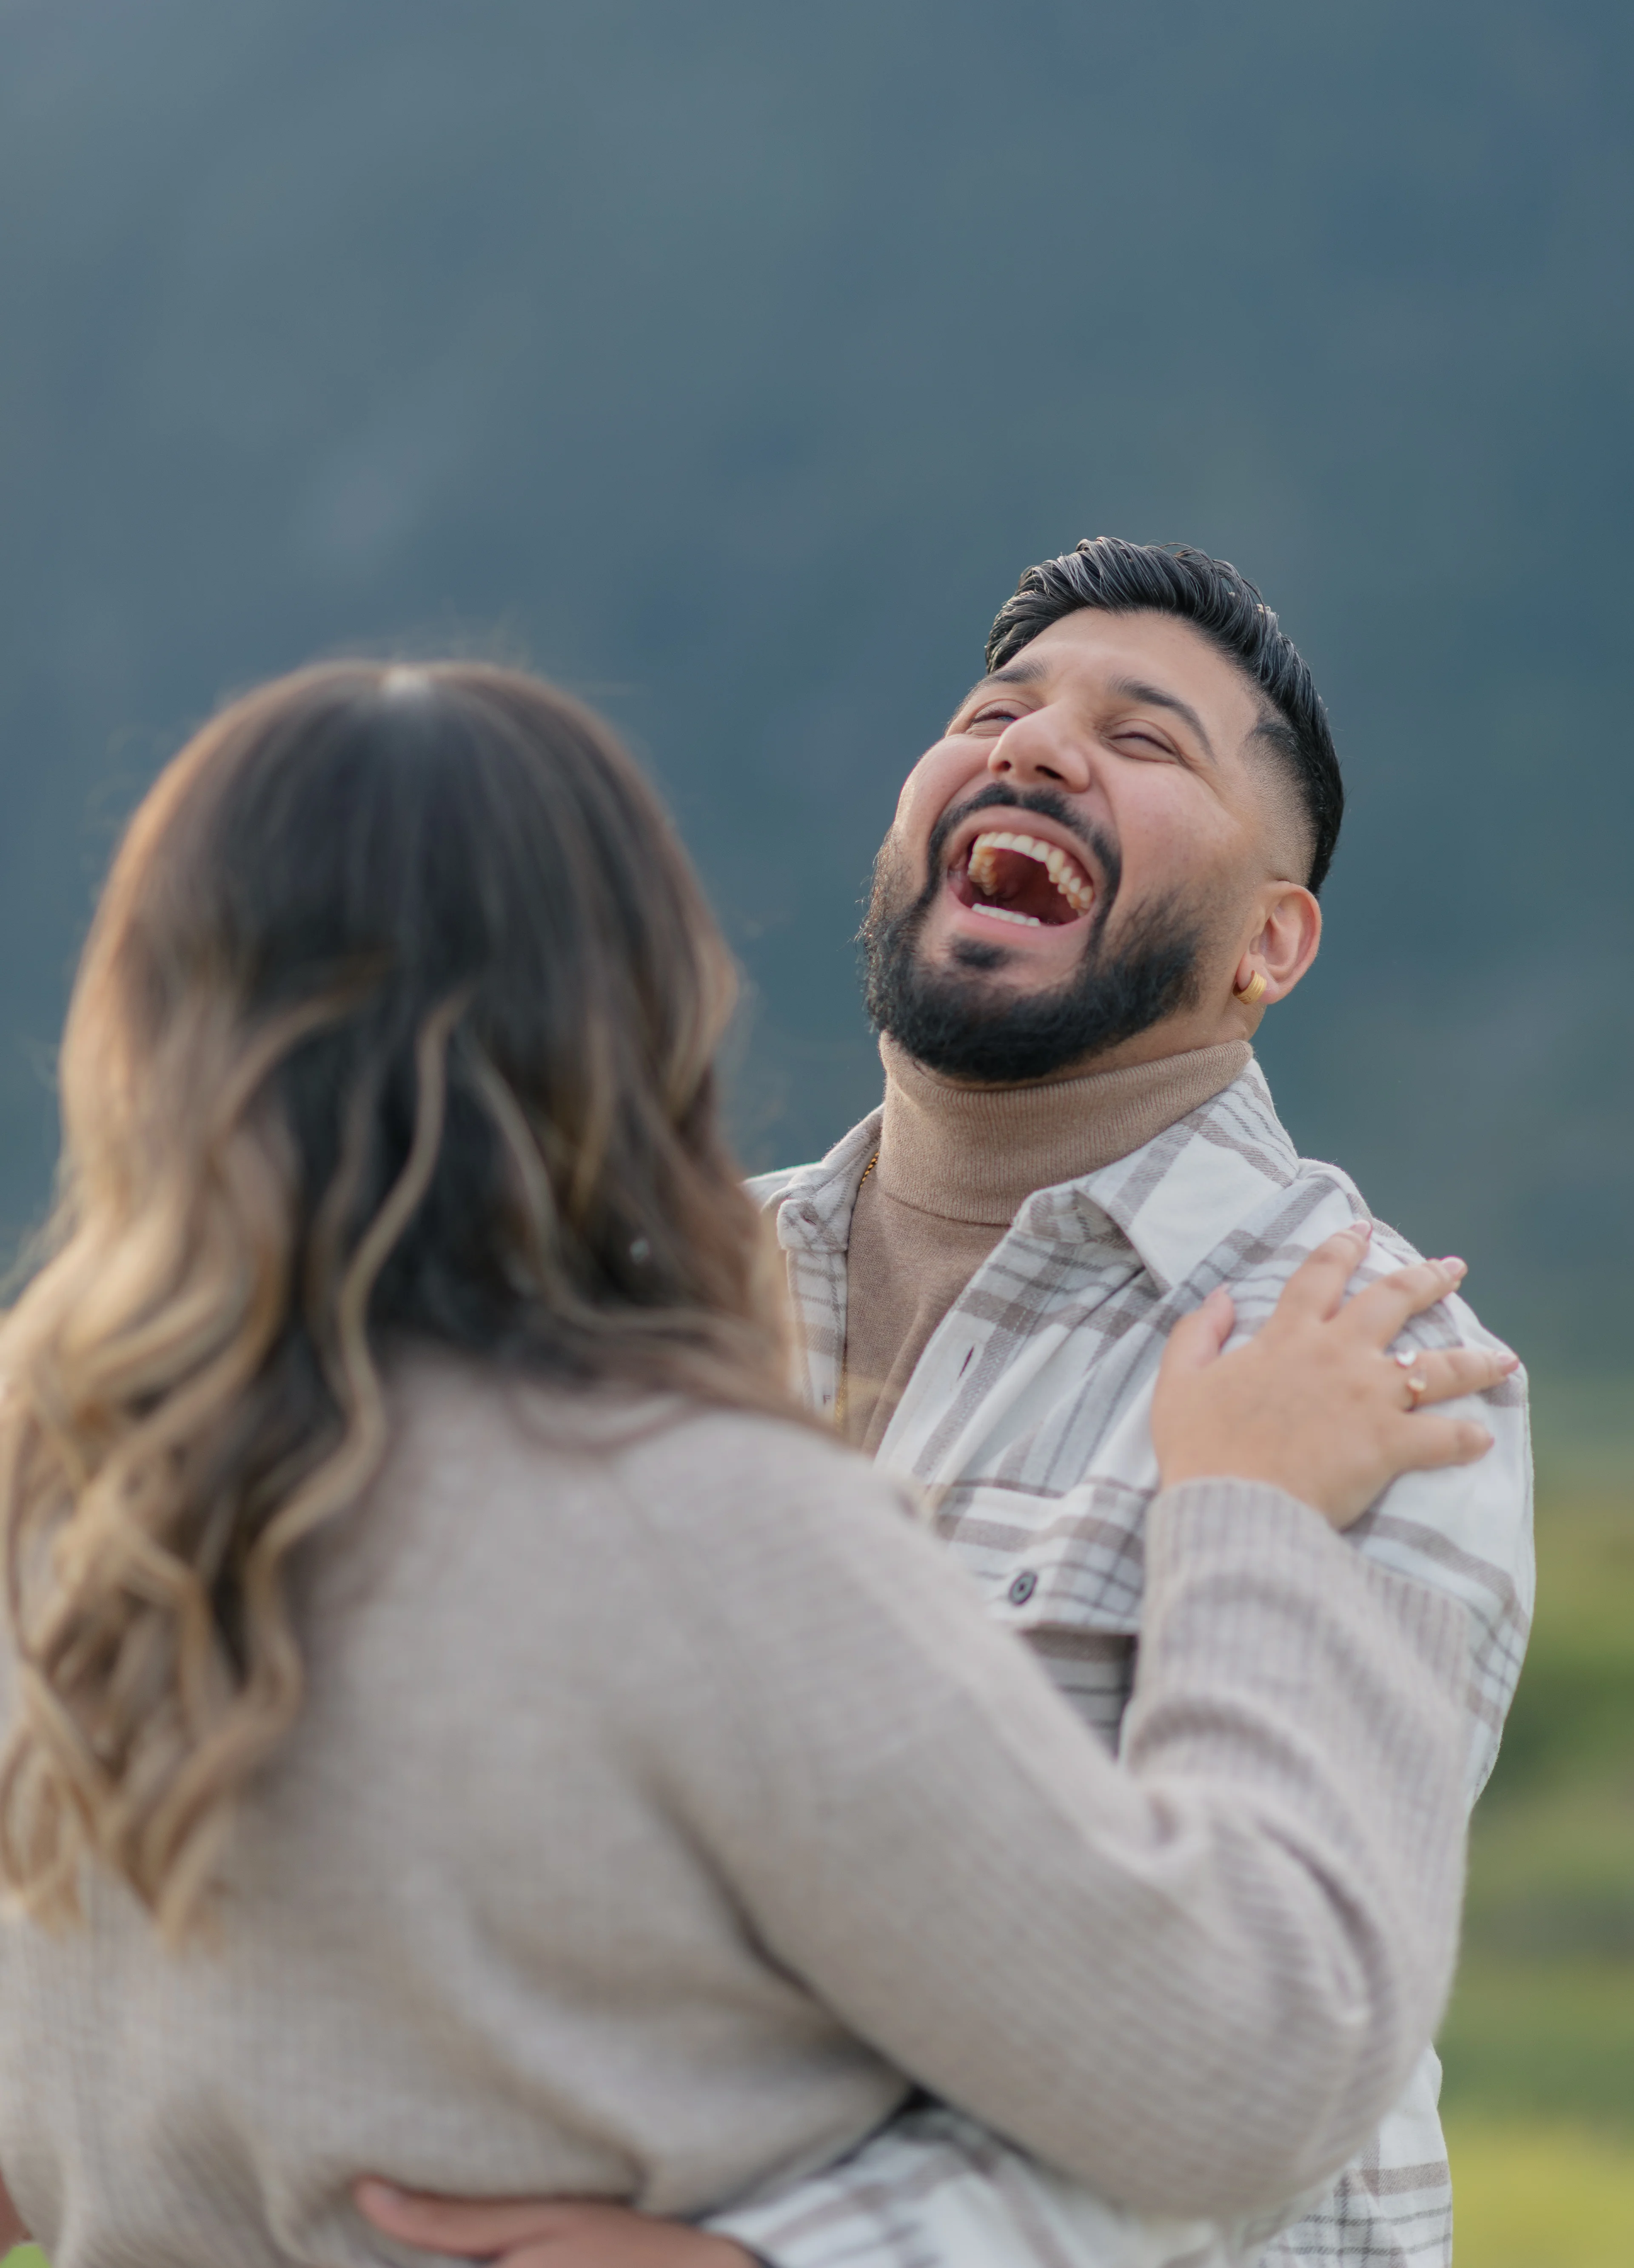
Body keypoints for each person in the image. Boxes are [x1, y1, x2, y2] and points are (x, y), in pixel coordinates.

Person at [0, 659, 1512, 2268]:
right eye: (993, 711)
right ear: (641, 990)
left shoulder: (1366, 1344)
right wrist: (1253, 1520)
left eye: (1143, 738)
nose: (1039, 744)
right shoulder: (681, 1448)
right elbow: (1245, 2060)